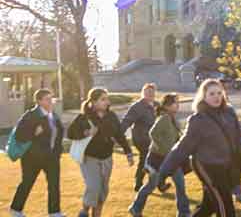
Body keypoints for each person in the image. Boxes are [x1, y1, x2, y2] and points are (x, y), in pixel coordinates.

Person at [160, 79, 241, 217]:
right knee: (225, 206)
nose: (217, 97)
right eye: (212, 94)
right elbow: (182, 147)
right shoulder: (198, 119)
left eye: (219, 93)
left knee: (208, 207)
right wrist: (164, 171)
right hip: (207, 165)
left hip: (226, 165)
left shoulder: (229, 114)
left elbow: (240, 142)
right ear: (204, 96)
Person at [68, 87, 135, 217]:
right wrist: (85, 133)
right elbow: (70, 133)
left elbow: (119, 135)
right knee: (93, 187)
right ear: (93, 101)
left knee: (103, 190)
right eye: (103, 99)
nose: (107, 102)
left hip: (107, 158)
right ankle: (85, 211)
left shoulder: (111, 116)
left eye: (107, 99)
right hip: (90, 158)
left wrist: (128, 152)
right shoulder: (84, 117)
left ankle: (96, 214)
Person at [129, 93, 191, 217]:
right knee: (151, 186)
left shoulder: (172, 118)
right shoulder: (164, 118)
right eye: (175, 103)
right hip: (158, 160)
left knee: (180, 184)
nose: (178, 105)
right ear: (167, 106)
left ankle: (183, 213)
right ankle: (135, 208)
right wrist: (165, 149)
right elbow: (153, 133)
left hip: (172, 159)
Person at [9, 89, 66, 217]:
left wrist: (57, 151)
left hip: (51, 157)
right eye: (47, 99)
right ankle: (15, 210)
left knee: (54, 184)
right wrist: (34, 133)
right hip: (32, 158)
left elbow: (59, 133)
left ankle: (55, 212)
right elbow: (19, 136)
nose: (51, 101)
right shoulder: (30, 115)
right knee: (27, 183)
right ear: (39, 101)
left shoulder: (53, 115)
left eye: (51, 98)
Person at [121, 83, 161, 192]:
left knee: (154, 160)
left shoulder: (157, 105)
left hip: (155, 139)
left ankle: (155, 183)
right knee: (145, 159)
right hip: (141, 138)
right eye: (147, 92)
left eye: (152, 92)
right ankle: (139, 183)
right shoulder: (137, 107)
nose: (150, 94)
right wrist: (118, 135)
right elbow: (126, 121)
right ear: (142, 93)